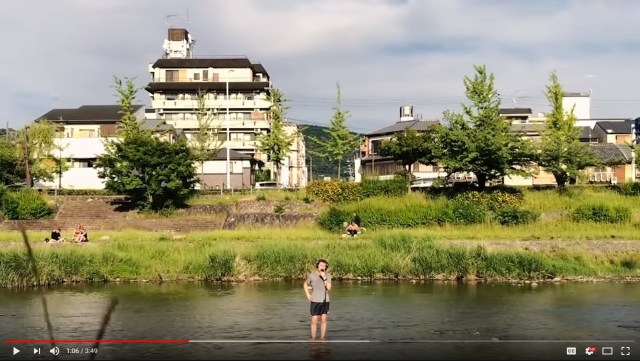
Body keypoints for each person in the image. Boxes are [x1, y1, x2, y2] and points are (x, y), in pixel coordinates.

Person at [303, 259, 332, 340]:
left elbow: (329, 288)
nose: (322, 267)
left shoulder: (328, 275)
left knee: (324, 320)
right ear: (317, 266)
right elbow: (305, 284)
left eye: (324, 266)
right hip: (315, 300)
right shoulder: (312, 275)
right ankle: (313, 339)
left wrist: (324, 277)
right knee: (314, 320)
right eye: (321, 265)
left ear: (326, 267)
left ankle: (322, 339)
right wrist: (308, 295)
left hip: (325, 301)